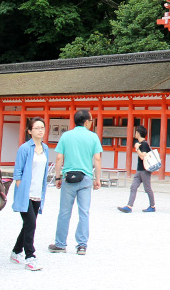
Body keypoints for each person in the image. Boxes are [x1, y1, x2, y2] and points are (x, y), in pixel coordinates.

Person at [49, 109, 102, 256]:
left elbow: (59, 158)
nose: (91, 123)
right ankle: (82, 245)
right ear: (86, 122)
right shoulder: (93, 137)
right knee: (84, 212)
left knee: (64, 212)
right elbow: (97, 159)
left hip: (69, 177)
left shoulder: (66, 136)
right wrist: (97, 179)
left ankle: (60, 244)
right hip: (85, 178)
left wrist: (58, 177)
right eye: (91, 121)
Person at [10, 118, 50, 271]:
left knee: (28, 224)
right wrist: (21, 189)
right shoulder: (25, 148)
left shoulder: (45, 148)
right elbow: (18, 172)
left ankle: (15, 251)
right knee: (31, 224)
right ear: (30, 131)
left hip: (38, 192)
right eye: (37, 128)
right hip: (25, 192)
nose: (40, 130)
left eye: (42, 128)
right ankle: (30, 257)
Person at [117, 125, 155, 213]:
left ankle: (152, 206)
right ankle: (129, 206)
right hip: (139, 170)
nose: (135, 134)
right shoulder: (141, 144)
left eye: (136, 132)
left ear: (138, 133)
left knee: (147, 188)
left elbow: (143, 156)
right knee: (133, 187)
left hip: (145, 170)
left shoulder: (144, 144)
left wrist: (137, 148)